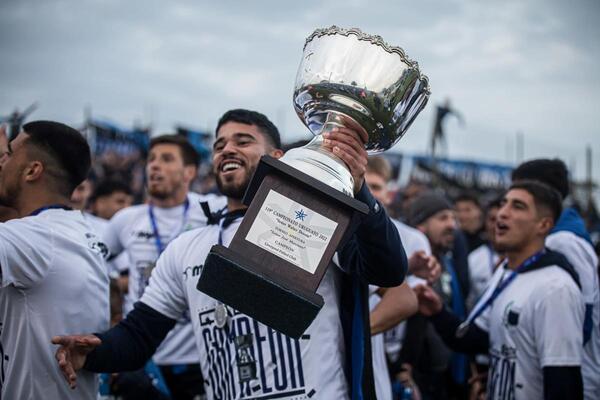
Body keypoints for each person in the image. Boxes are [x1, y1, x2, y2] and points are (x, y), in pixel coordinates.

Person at [53, 108, 408, 400]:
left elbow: (389, 269)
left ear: (277, 158)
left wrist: (361, 193)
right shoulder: (186, 247)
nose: (226, 149)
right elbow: (140, 334)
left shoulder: (315, 222)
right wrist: (94, 351)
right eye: (219, 144)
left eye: (243, 140)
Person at [416, 180, 584, 400]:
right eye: (504, 204)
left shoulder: (555, 289)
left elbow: (563, 384)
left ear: (543, 225)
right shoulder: (506, 272)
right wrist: (438, 313)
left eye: (518, 206)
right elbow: (476, 339)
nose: (503, 214)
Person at [101, 134, 225, 399]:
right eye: (152, 159)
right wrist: (113, 300)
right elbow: (92, 264)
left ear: (189, 172)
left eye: (167, 159)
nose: (154, 166)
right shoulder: (126, 220)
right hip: (144, 359)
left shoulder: (213, 210)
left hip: (200, 359)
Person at [0, 121, 109, 399]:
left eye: (8, 154)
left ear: (32, 170)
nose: (2, 163)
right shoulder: (69, 230)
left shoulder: (35, 238)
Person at [512, 158, 600, 399]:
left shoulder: (563, 241)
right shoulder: (556, 234)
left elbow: (580, 320)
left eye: (520, 192)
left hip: (574, 376)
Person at [365, 156, 441, 399]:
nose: (368, 194)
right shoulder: (339, 230)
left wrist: (405, 366)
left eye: (375, 187)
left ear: (389, 193)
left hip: (392, 353)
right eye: (362, 186)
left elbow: (415, 303)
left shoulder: (412, 240)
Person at [406, 191, 469, 400]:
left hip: (443, 377)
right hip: (414, 376)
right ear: (420, 226)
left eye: (453, 218)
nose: (452, 225)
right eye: (443, 218)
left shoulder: (447, 263)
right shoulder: (405, 266)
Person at [466, 197, 502, 311]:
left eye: (502, 218)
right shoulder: (474, 258)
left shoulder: (524, 259)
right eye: (492, 219)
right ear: (484, 223)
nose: (498, 224)